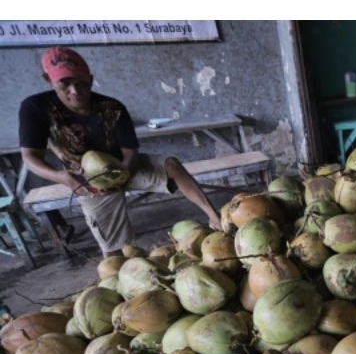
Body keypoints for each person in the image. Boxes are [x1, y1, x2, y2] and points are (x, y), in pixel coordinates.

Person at [18, 46, 222, 257]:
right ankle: (119, 270)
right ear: (48, 79)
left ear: (91, 78)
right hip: (84, 180)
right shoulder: (35, 108)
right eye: (65, 84)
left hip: (122, 167)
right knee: (115, 252)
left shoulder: (112, 107)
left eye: (81, 84)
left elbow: (130, 153)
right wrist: (63, 178)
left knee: (171, 165)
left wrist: (124, 171)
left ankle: (214, 217)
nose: (75, 91)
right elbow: (30, 158)